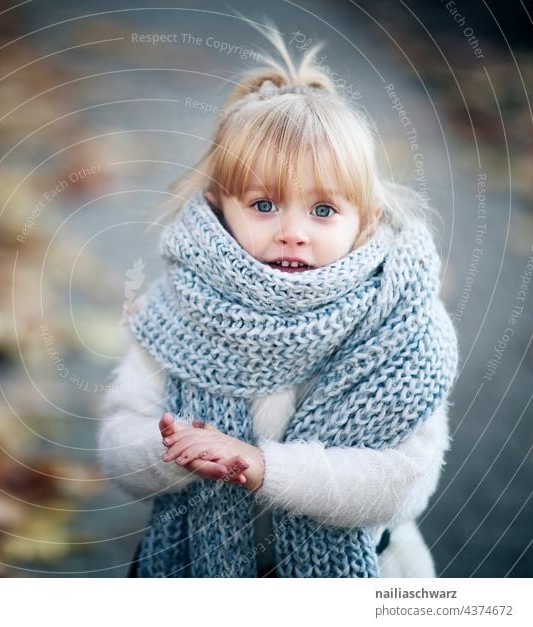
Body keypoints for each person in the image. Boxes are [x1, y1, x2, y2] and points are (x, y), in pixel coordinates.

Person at [96, 24, 459, 578]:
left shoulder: (400, 328)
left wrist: (265, 467)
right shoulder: (179, 311)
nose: (292, 232)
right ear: (220, 207)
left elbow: (403, 481)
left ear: (367, 219)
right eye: (264, 205)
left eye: (322, 211)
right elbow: (119, 447)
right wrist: (179, 450)